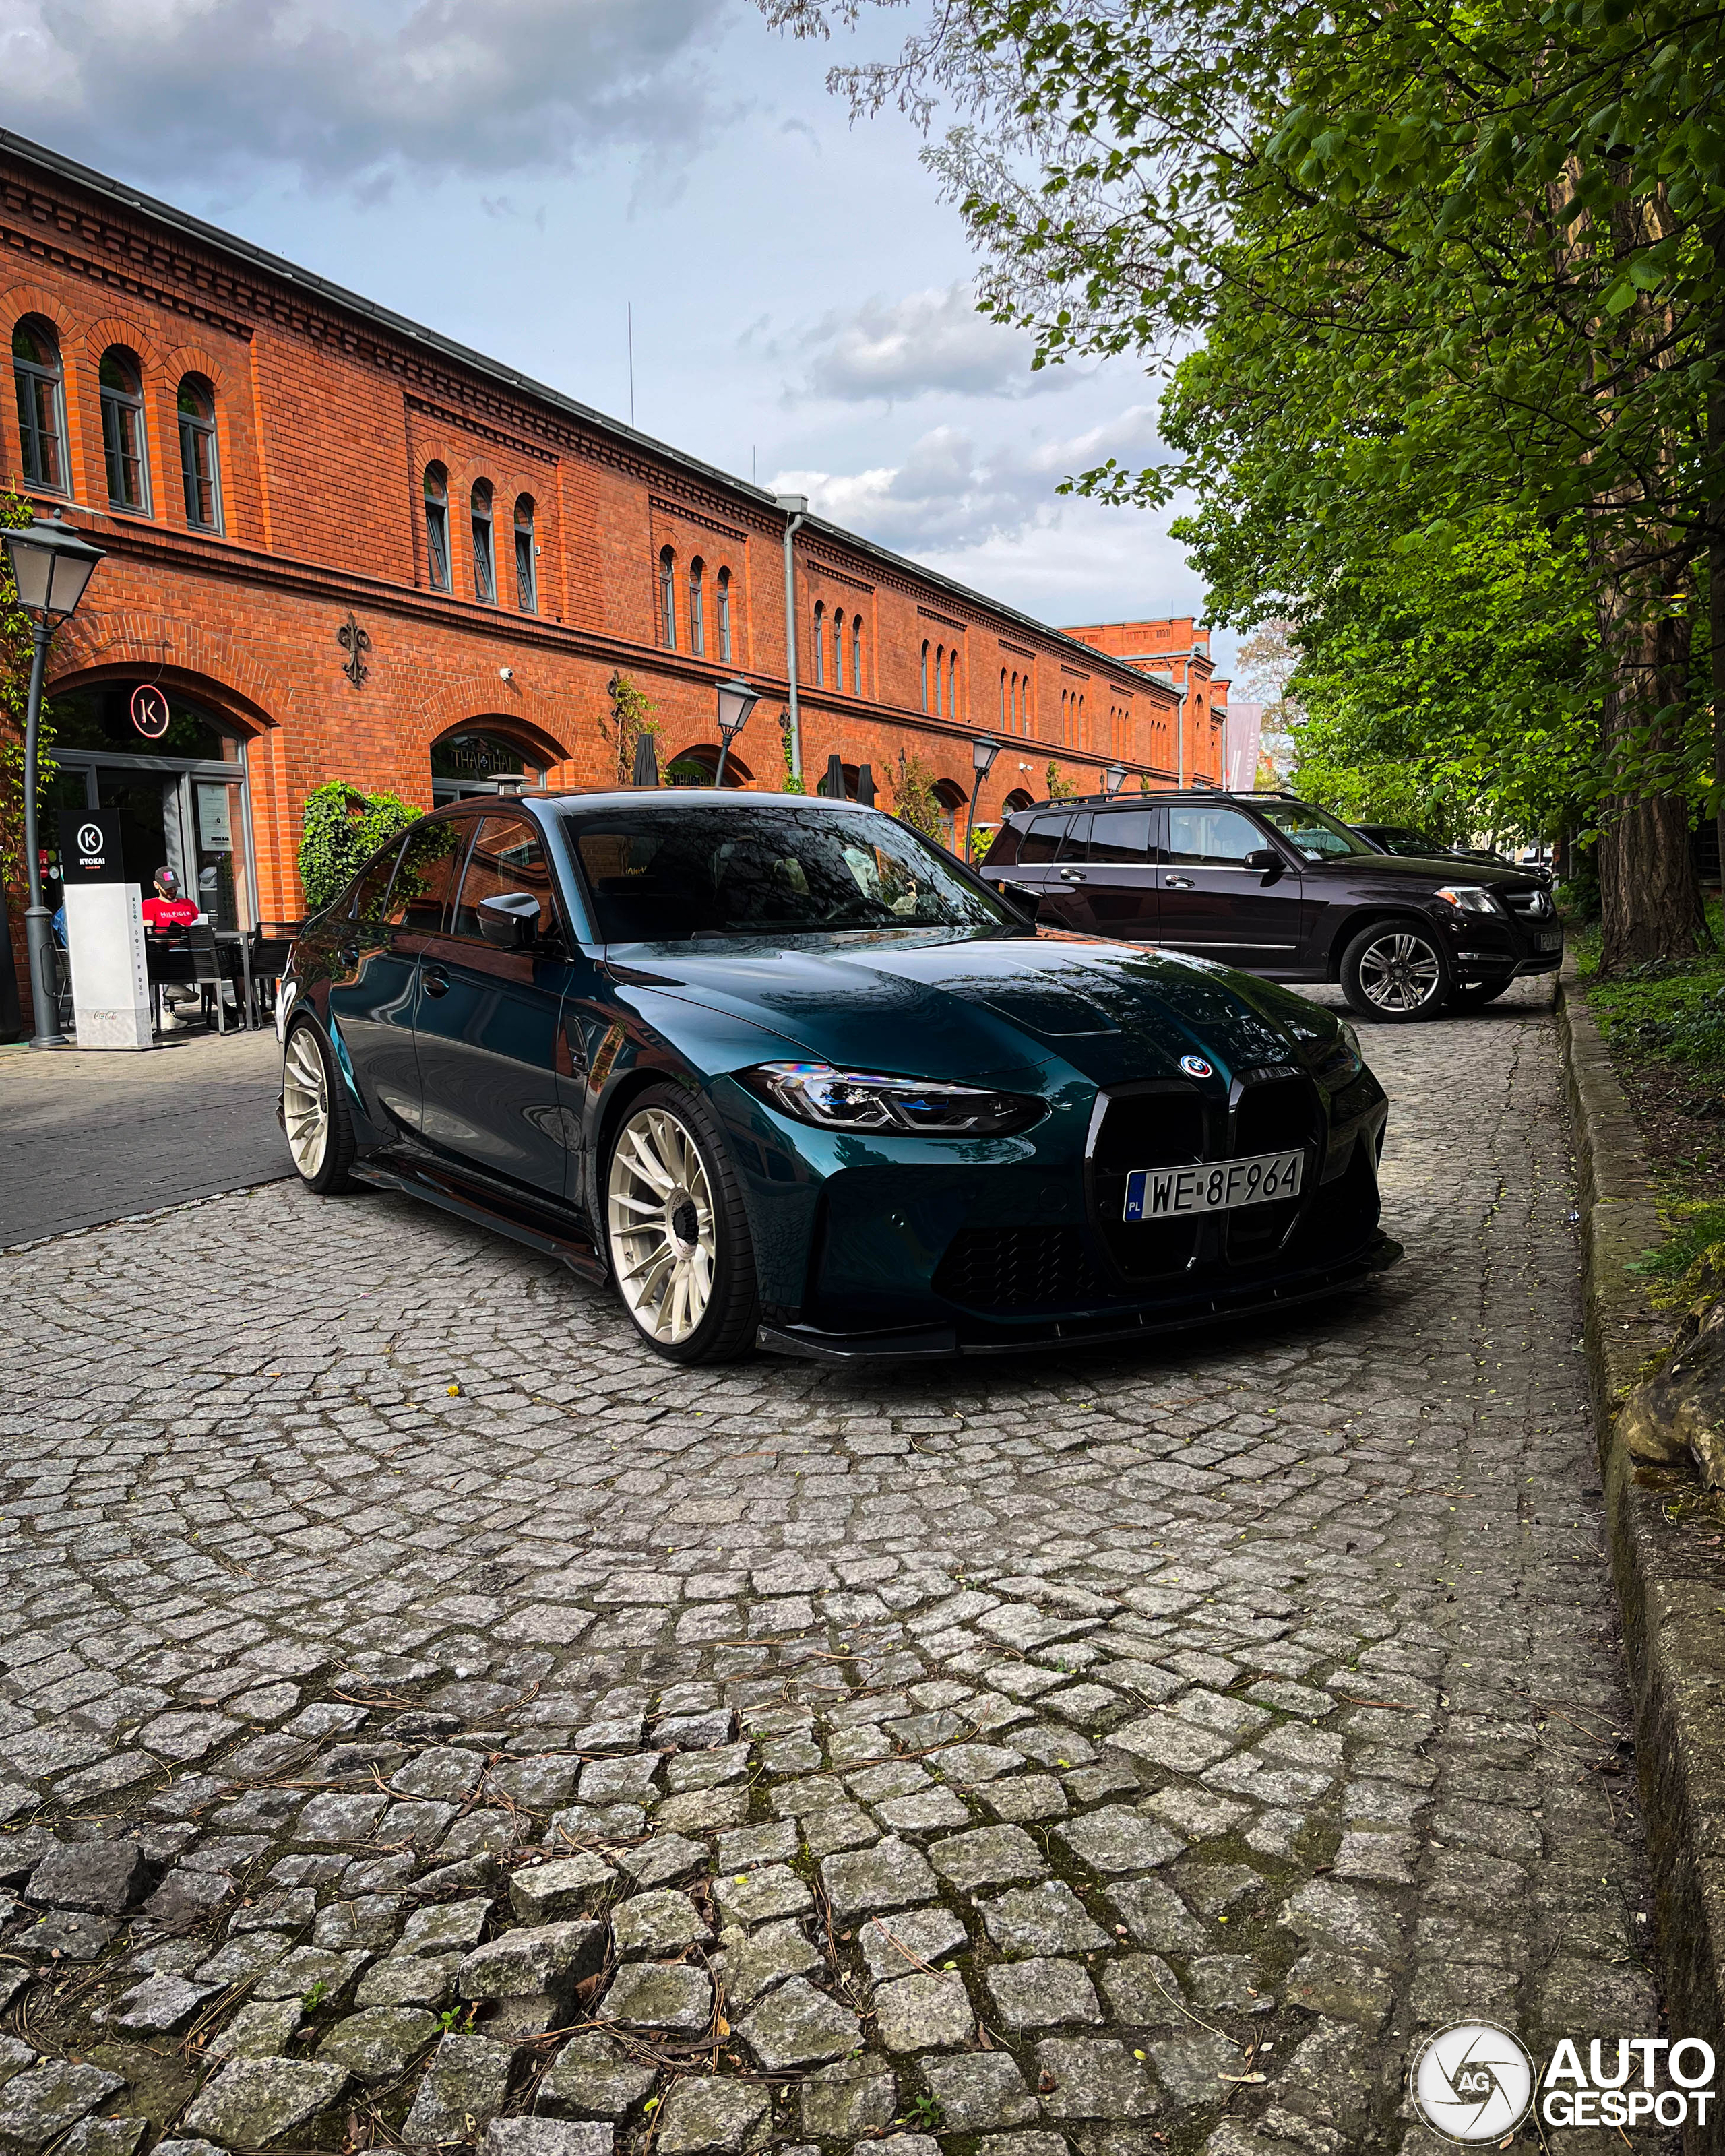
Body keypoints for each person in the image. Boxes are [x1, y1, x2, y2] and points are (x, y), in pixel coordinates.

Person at [142, 866, 198, 932]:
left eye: (174, 887)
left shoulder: (188, 904)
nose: (173, 890)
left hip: (190, 941)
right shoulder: (150, 905)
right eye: (168, 888)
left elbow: (201, 926)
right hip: (164, 941)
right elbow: (148, 932)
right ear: (156, 885)